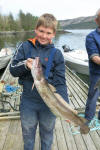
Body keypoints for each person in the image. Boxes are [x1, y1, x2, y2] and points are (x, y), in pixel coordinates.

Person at [10, 13, 69, 150]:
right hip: (28, 101)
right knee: (28, 134)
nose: (44, 35)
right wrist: (25, 65)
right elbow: (12, 70)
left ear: (54, 34)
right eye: (41, 31)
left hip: (50, 104)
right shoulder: (24, 47)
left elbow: (60, 82)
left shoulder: (57, 54)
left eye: (48, 33)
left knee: (47, 135)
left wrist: (65, 106)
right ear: (36, 29)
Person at [85, 8, 100, 123]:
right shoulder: (91, 36)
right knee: (93, 96)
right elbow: (94, 57)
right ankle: (88, 119)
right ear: (96, 20)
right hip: (97, 74)